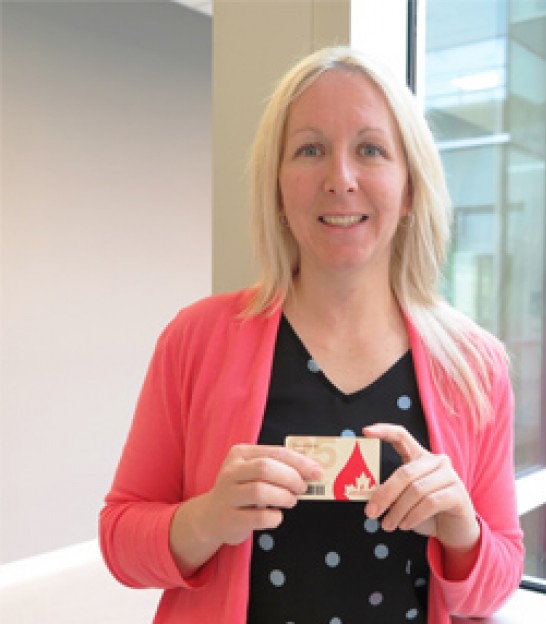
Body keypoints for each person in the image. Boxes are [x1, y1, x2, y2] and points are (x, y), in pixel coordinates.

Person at [99, 46, 524, 624]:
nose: (340, 179)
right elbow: (121, 544)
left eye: (370, 149)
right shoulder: (196, 338)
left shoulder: (475, 365)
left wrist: (460, 529)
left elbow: (494, 589)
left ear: (410, 192)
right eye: (310, 150)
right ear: (276, 190)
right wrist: (206, 519)